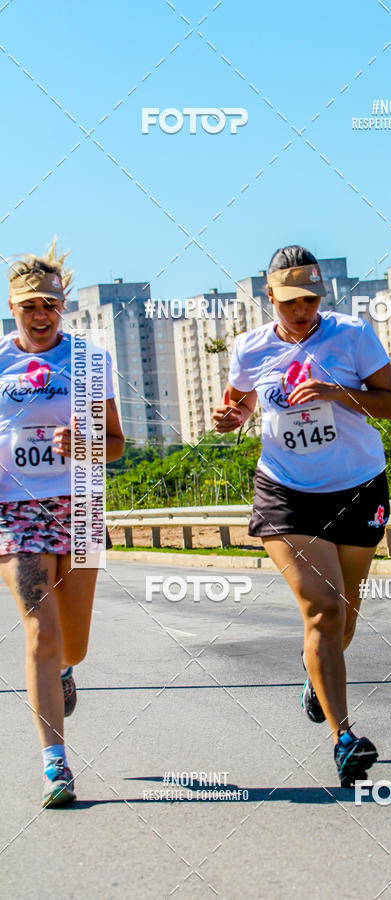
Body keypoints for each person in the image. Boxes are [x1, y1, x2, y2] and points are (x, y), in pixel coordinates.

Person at [213, 245, 391, 786]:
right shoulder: (249, 348)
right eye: (290, 300)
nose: (302, 310)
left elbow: (389, 403)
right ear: (269, 296)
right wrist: (230, 417)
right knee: (321, 608)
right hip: (287, 491)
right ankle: (344, 738)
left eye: (310, 299)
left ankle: (314, 673)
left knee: (344, 609)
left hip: (358, 485)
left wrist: (338, 392)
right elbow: (239, 404)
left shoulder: (352, 335)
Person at [0, 241, 125, 807]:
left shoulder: (89, 360)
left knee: (72, 641)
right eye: (30, 306)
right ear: (13, 307)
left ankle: (67, 671)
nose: (41, 314)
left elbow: (118, 445)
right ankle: (57, 765)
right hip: (15, 511)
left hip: (80, 506)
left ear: (63, 305)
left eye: (50, 304)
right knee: (40, 632)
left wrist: (87, 444)